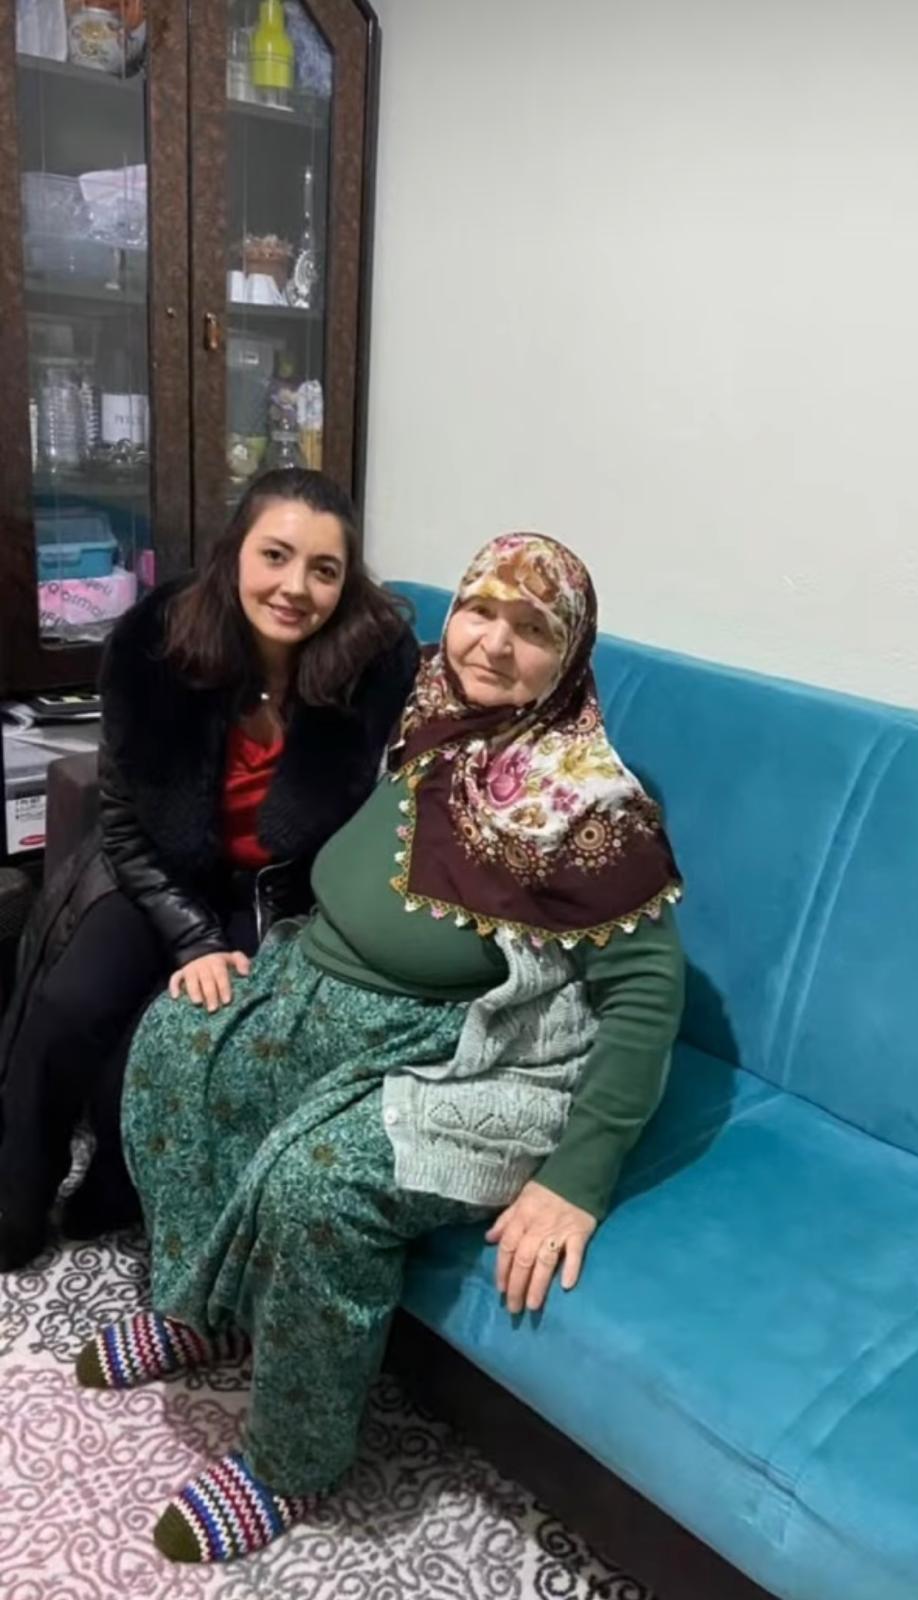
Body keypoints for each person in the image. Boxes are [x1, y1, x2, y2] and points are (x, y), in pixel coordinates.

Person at [76, 532, 685, 1566]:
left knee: (320, 1186)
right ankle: (206, 1305)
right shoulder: (431, 706)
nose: (492, 642)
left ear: (571, 654)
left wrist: (576, 1180)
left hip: (460, 1048)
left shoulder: (590, 801)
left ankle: (291, 1460)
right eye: (479, 609)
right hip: (315, 977)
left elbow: (646, 992)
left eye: (531, 628)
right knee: (179, 1044)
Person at [0, 469, 418, 1271]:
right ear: (234, 553)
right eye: (275, 555)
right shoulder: (153, 643)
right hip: (151, 872)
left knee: (167, 1040)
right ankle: (17, 1193)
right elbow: (123, 820)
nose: (295, 588)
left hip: (271, 898)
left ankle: (116, 1188)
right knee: (67, 1005)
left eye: (324, 570)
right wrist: (192, 940)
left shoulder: (375, 664)